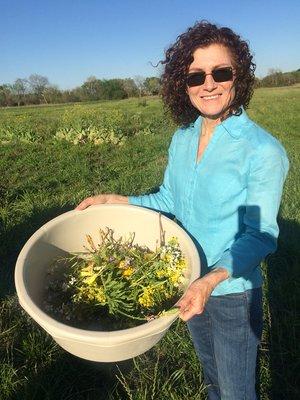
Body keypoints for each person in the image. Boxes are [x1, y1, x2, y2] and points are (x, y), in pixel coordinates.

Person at [76, 21, 289, 400]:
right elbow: (170, 202)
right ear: (183, 84)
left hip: (230, 293)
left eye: (221, 72)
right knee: (211, 379)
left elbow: (261, 235)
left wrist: (210, 281)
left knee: (237, 391)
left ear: (239, 76)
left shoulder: (263, 151)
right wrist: (118, 201)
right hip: (185, 279)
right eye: (195, 76)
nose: (209, 84)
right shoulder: (184, 136)